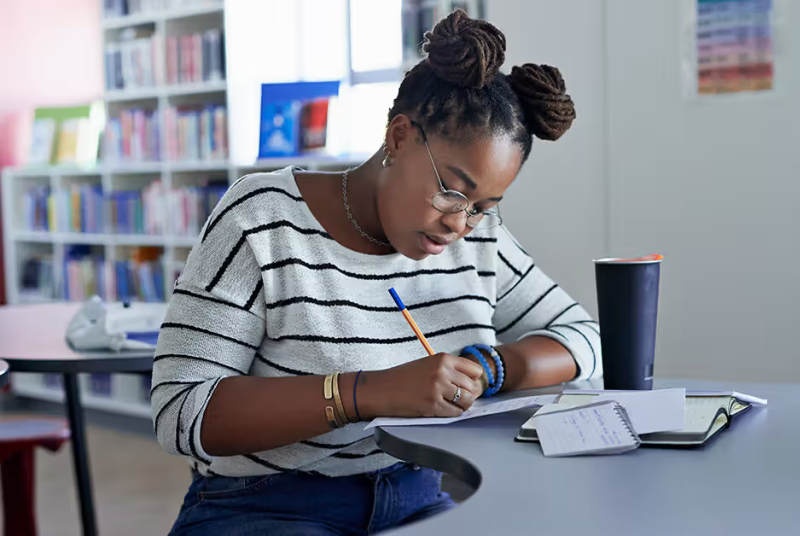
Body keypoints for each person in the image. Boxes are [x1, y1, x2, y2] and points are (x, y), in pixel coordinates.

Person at [153, 10, 602, 535]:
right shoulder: (262, 217)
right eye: (452, 191)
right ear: (399, 137)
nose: (460, 223)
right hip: (265, 504)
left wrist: (491, 367)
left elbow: (588, 340)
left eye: (483, 205)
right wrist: (367, 392)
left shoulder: (478, 236)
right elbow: (180, 411)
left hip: (417, 493)